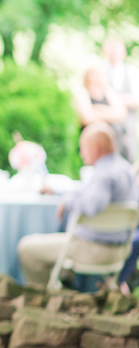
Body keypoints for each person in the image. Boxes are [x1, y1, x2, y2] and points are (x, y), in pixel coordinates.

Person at [17, 122, 139, 286]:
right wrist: (61, 192)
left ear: (95, 148)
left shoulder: (104, 174)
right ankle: (65, 289)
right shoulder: (124, 168)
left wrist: (67, 201)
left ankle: (41, 299)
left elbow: (91, 205)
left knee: (26, 248)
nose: (81, 153)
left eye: (82, 147)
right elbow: (89, 192)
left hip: (94, 249)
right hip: (120, 250)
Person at [103, 38, 139, 162]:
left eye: (116, 50)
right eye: (110, 50)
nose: (113, 53)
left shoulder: (131, 71)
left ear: (123, 52)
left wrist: (114, 98)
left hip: (126, 130)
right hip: (106, 128)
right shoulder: (101, 71)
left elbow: (136, 100)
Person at [73, 63, 127, 146]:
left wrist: (99, 109)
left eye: (95, 74)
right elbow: (86, 118)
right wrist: (110, 112)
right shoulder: (82, 91)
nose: (93, 77)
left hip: (112, 138)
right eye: (90, 74)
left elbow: (121, 113)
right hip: (91, 139)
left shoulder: (107, 90)